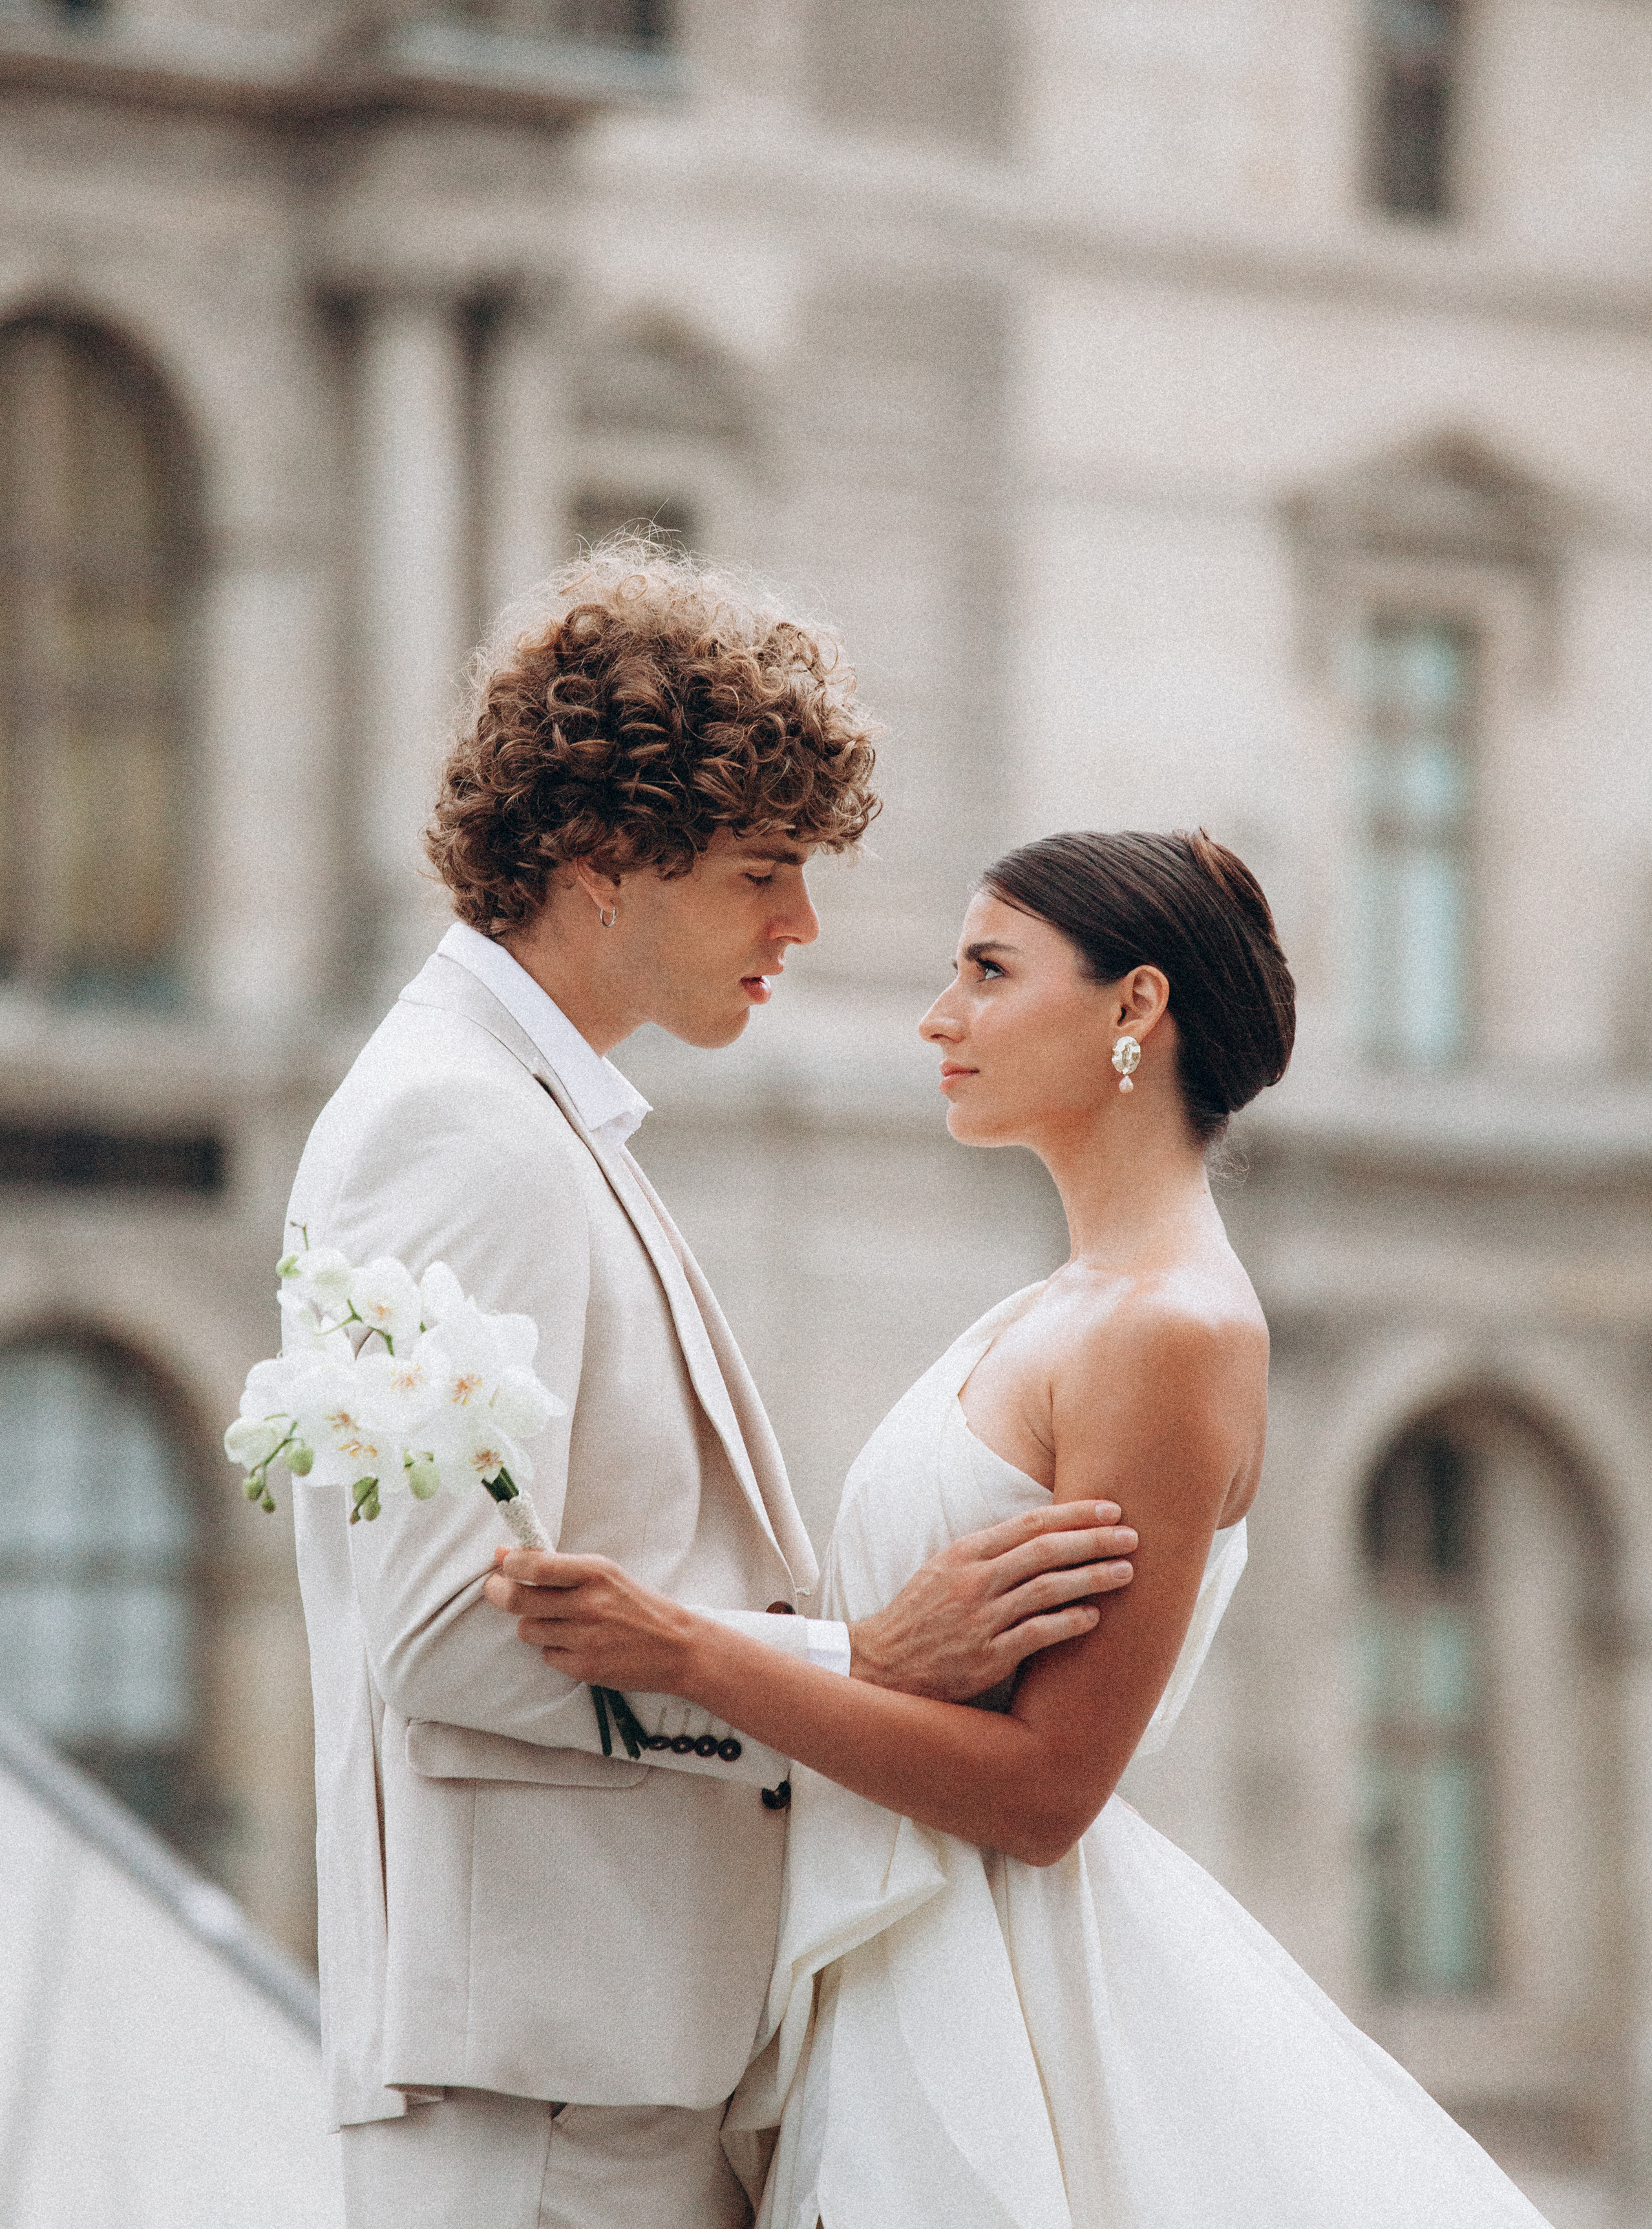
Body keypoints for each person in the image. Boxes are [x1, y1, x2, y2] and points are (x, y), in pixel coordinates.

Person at [485, 827, 1554, 2229]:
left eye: (988, 972)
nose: (939, 1018)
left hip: (991, 2010)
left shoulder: (1171, 1330)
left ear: (1135, 1006)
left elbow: (1048, 1794)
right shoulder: (1064, 1306)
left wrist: (687, 1651)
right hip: (909, 1964)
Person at [287, 546, 1139, 2229]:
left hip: (613, 2063)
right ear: (605, 861)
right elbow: (440, 1631)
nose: (801, 925)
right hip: (541, 2085)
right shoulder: (460, 1127)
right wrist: (856, 1666)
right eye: (764, 871)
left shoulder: (530, 1112)